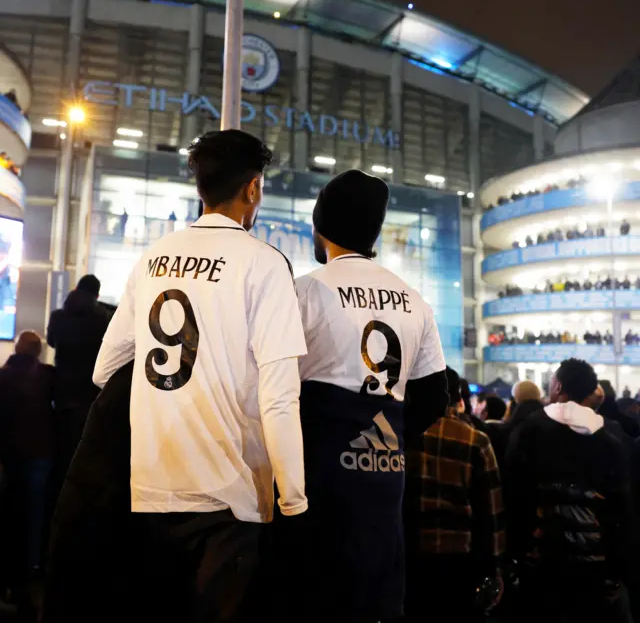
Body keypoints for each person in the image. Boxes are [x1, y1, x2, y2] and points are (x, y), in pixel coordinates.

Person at [92, 129, 308, 622]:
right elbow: (279, 398)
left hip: (151, 487)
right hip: (229, 496)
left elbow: (106, 368)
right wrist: (294, 501)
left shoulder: (154, 257)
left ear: (200, 188)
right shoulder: (265, 264)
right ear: (253, 189)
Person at [292, 169, 448, 622]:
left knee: (314, 591)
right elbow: (433, 396)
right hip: (383, 474)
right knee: (377, 593)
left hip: (315, 472)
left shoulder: (304, 291)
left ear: (320, 227)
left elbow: (270, 385)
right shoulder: (413, 299)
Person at [505, 359, 634, 623]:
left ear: (558, 387)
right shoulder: (612, 435)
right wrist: (618, 568)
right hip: (594, 563)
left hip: (542, 559)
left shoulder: (530, 430)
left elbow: (513, 494)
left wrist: (517, 548)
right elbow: (621, 506)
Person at [404, 367, 504, 623]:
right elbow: (490, 511)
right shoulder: (476, 440)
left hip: (408, 555)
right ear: (456, 396)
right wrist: (494, 567)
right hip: (459, 560)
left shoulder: (397, 435)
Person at [0, 331, 54, 613]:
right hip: (41, 456)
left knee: (9, 516)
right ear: (37, 352)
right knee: (36, 515)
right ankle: (33, 565)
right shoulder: (47, 376)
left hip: (12, 460)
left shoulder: (4, 376)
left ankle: (9, 571)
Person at [47, 275, 110, 495]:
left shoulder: (57, 317)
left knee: (61, 452)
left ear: (75, 289)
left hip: (62, 395)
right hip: (90, 396)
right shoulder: (103, 318)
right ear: (97, 295)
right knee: (83, 453)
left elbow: (51, 342)